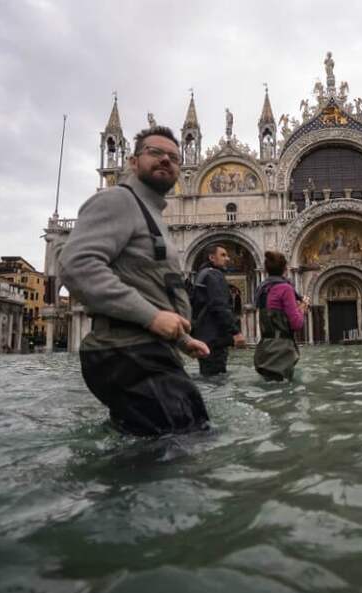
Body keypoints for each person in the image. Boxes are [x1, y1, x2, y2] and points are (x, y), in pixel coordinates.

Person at [59, 125, 211, 436]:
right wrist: (152, 317)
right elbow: (76, 265)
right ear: (132, 161)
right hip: (130, 353)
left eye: (173, 157)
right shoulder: (118, 200)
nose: (165, 160)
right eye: (155, 153)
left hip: (146, 352)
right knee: (176, 452)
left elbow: (153, 285)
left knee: (173, 444)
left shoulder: (150, 213)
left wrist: (183, 340)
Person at [252, 251, 309, 381]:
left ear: (266, 270)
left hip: (264, 350)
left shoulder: (261, 289)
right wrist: (302, 308)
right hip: (281, 352)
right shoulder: (285, 288)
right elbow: (297, 324)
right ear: (285, 269)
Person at [191, 244, 245, 376]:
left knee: (208, 377)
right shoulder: (214, 275)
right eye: (223, 255)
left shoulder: (202, 274)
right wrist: (235, 332)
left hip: (204, 338)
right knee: (217, 380)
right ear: (211, 258)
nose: (227, 259)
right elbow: (220, 306)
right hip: (215, 340)